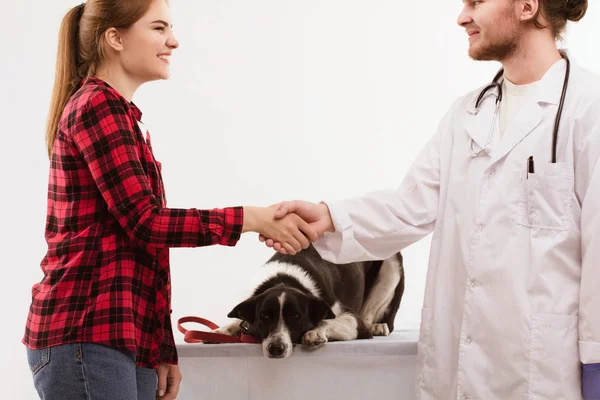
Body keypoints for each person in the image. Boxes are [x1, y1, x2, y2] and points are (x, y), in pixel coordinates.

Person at [261, 0, 600, 399]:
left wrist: (596, 363)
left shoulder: (587, 109)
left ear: (527, 6)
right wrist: (329, 217)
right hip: (457, 365)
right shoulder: (467, 115)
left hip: (541, 369)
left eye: (476, 2)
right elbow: (409, 207)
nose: (462, 16)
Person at [22, 1, 318, 399]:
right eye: (159, 28)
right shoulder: (97, 107)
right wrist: (251, 218)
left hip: (120, 341)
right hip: (85, 337)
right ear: (115, 38)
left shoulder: (123, 117)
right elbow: (146, 221)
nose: (173, 41)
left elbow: (145, 251)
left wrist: (161, 347)